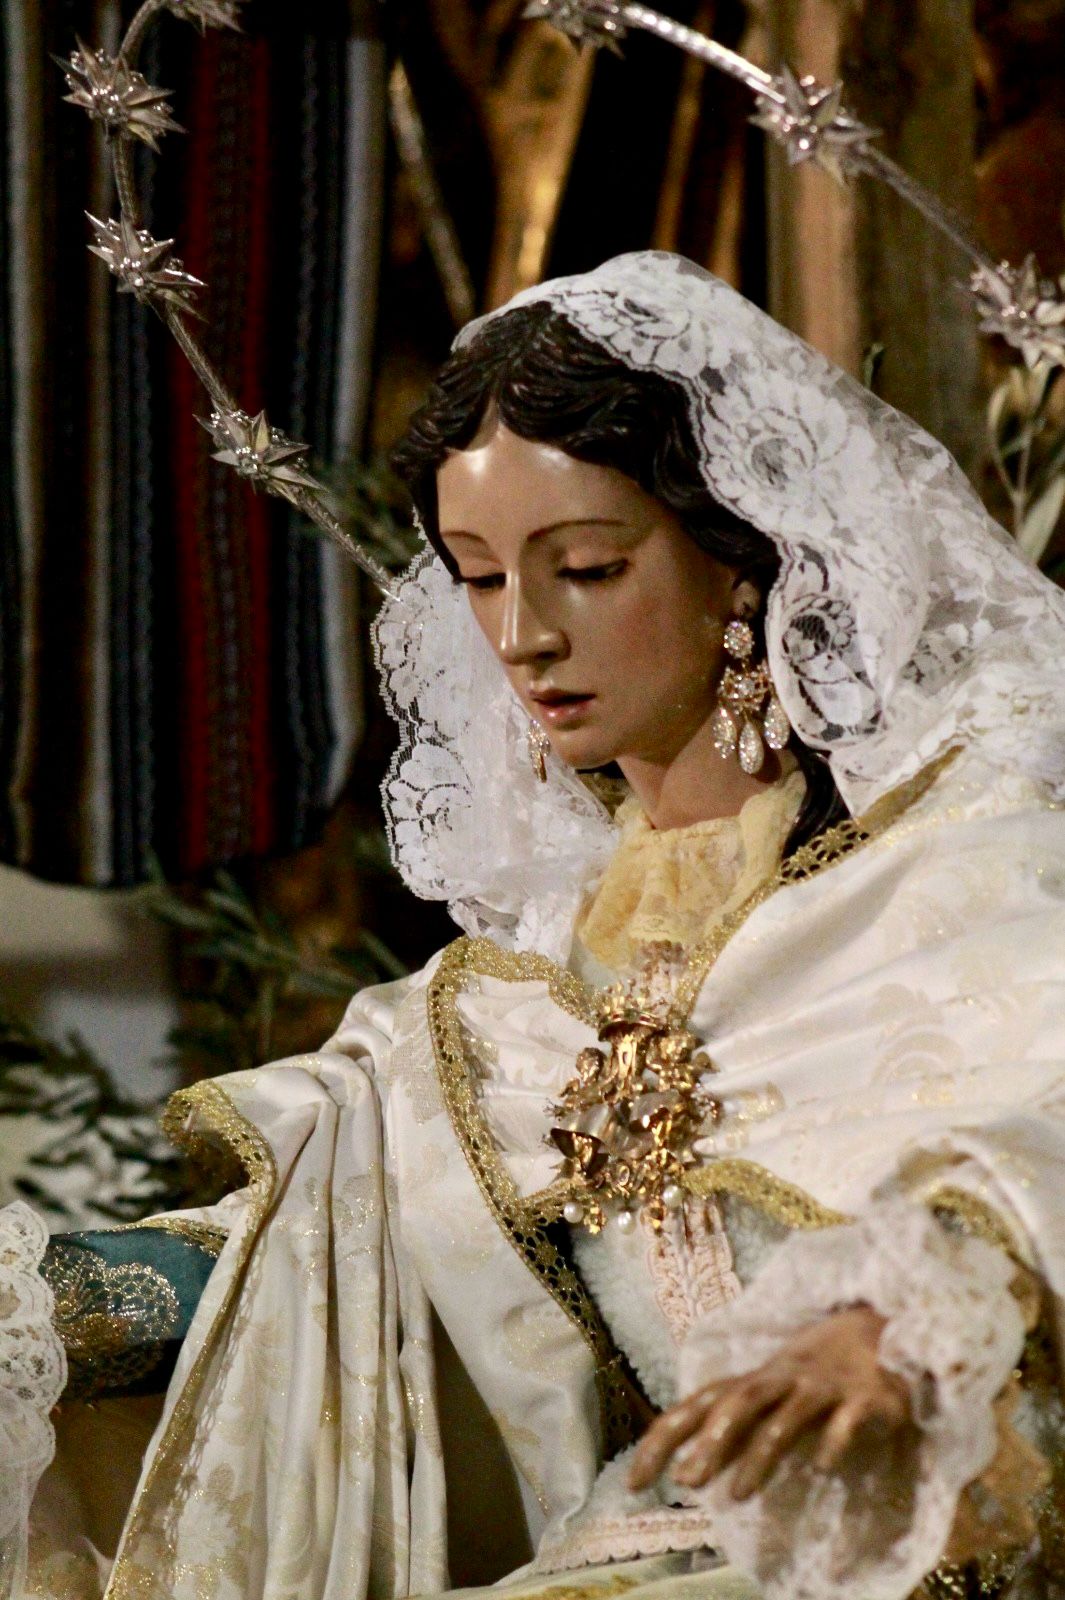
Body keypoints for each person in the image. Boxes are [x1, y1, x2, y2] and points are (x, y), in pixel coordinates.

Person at [3, 251, 1064, 1600]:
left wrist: (903, 1319)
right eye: (480, 577)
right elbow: (309, 1263)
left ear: (742, 561)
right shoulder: (502, 1007)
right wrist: (47, 1306)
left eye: (586, 568)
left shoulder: (961, 885)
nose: (524, 635)